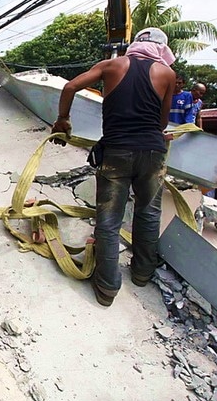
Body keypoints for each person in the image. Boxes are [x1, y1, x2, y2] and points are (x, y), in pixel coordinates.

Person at [51, 27, 176, 306]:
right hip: (153, 151)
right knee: (148, 212)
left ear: (135, 45)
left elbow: (70, 86)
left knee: (108, 221)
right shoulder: (167, 73)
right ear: (162, 49)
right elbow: (162, 123)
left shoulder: (111, 65)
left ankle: (107, 289)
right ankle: (142, 274)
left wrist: (63, 120)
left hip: (116, 151)